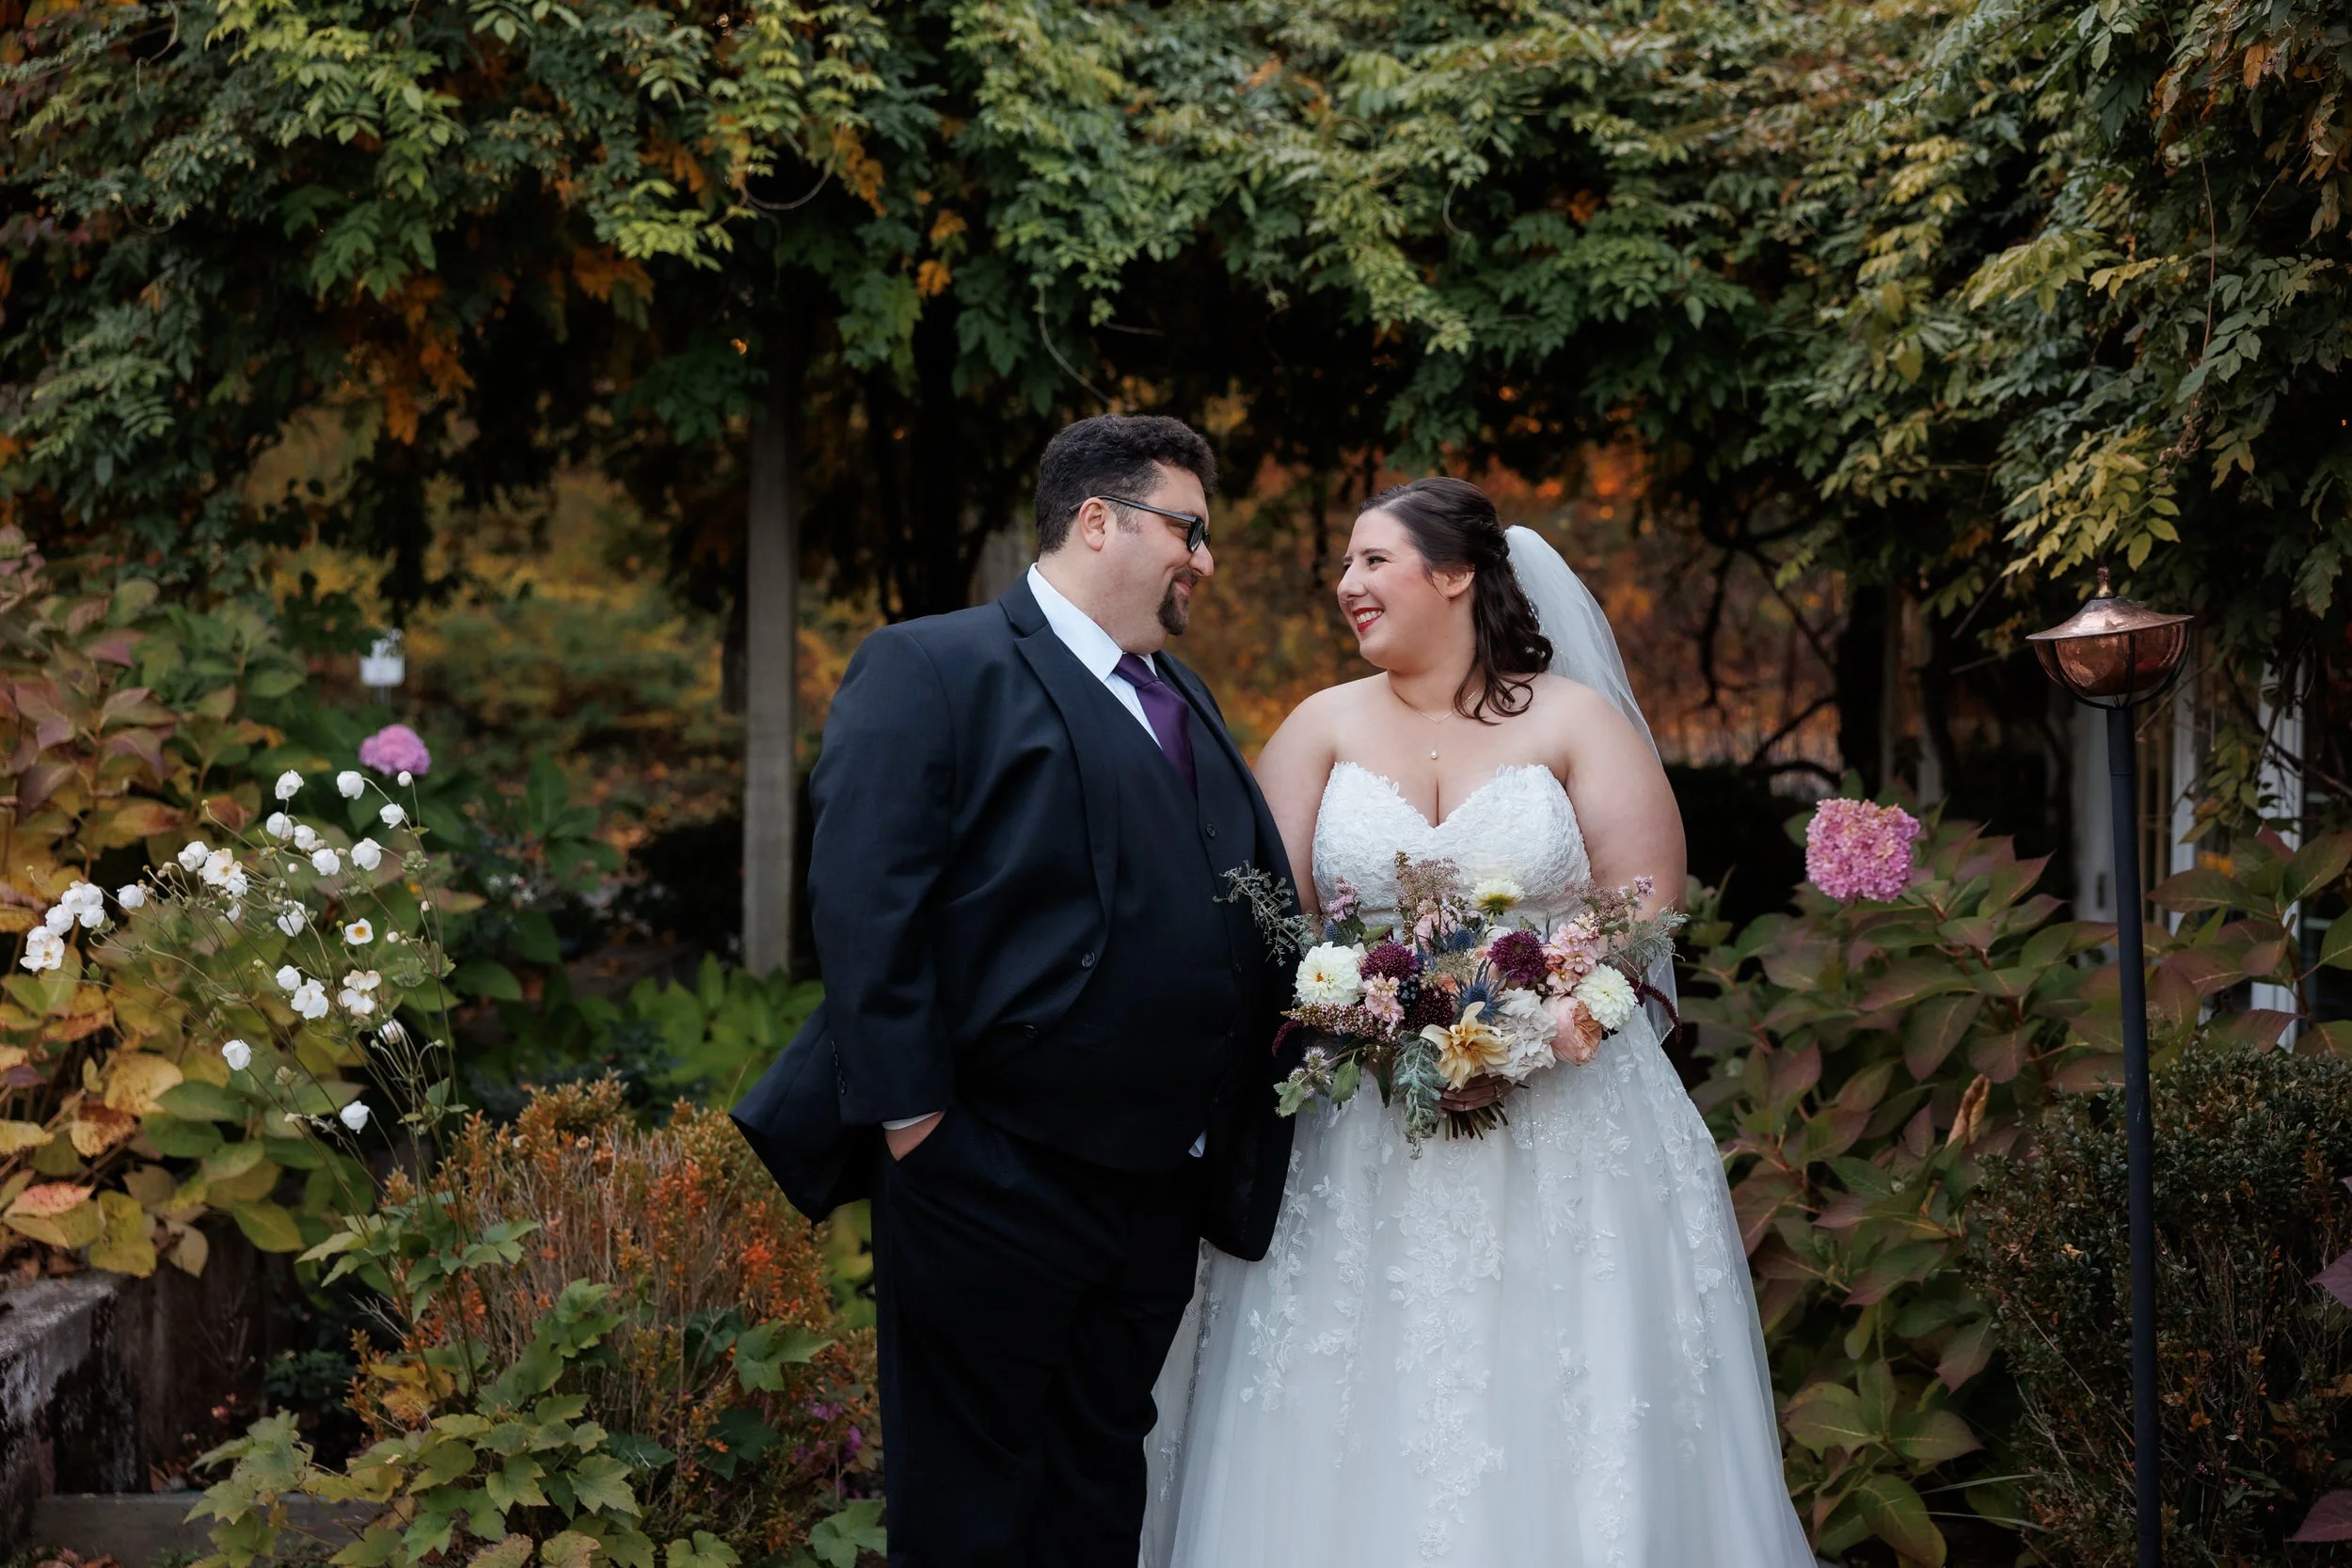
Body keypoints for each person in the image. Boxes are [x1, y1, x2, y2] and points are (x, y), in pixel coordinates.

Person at [1141, 477, 1816, 1567]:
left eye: (1373, 561)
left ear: (1453, 573)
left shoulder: (1572, 719)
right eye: (1347, 564)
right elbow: (1263, 920)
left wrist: (1535, 1025)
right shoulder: (1319, 723)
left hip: (1573, 1121)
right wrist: (1369, 1016)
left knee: (1564, 1376)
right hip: (1362, 1126)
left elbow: (1641, 909)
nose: (1346, 584)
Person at [732, 414, 1302, 1568]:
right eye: (1188, 529)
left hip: (1152, 1188)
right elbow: (863, 902)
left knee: (1098, 1483)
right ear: (1098, 520)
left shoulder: (1179, 693)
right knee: (969, 1499)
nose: (1203, 559)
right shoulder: (933, 664)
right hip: (983, 1172)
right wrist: (916, 1123)